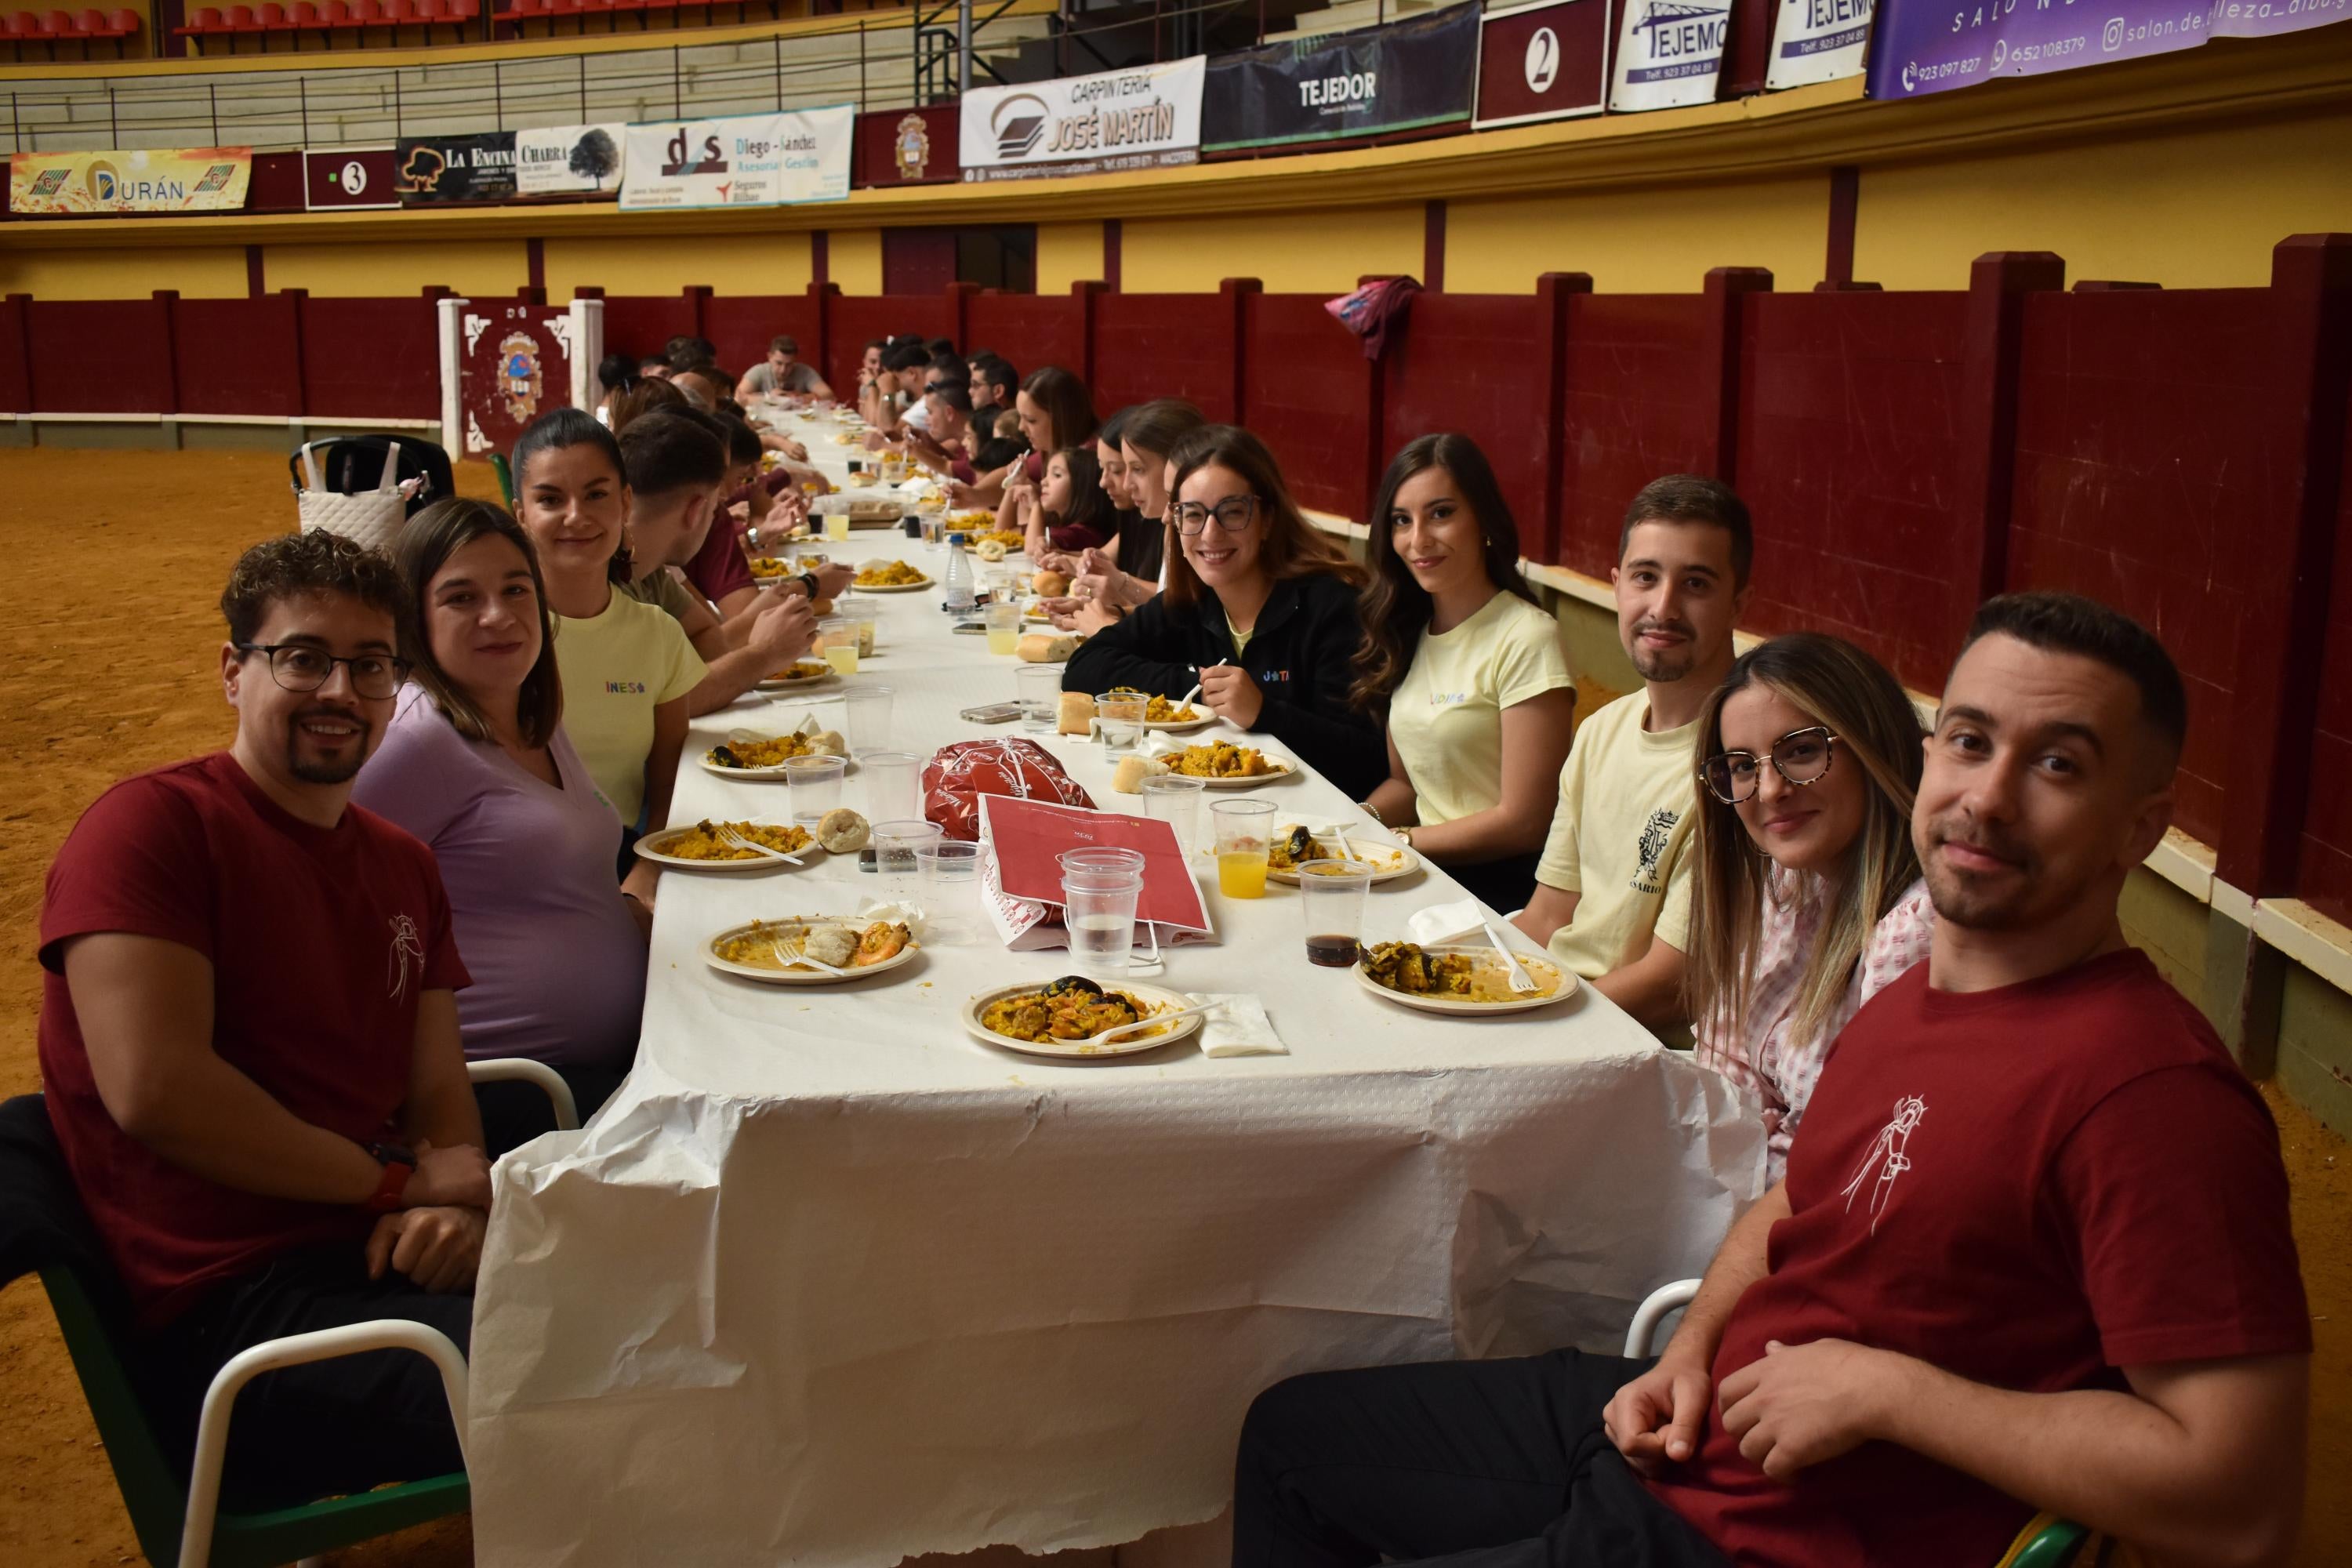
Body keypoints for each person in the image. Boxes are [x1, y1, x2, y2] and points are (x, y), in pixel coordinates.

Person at [1235, 591, 2311, 1568]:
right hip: (1694, 1429)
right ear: (1926, 758)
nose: (1986, 798)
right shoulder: (1913, 998)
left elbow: (2238, 1499)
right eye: (1971, 742)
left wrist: (1891, 1393)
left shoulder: (2154, 1096)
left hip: (1769, 1536)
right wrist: (1690, 1353)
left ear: (2142, 829)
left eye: (2059, 764)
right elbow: (1794, 1206)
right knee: (1285, 1436)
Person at [38, 530, 488, 1509]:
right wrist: (399, 1185)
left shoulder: (403, 861)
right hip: (240, 1318)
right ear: (233, 671)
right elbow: (161, 1091)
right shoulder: (150, 831)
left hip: (378, 1257)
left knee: (652, 1303)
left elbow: (439, 1089)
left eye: (370, 665)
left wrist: (454, 1202)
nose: (339, 690)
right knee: (598, 1371)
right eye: (303, 657)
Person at [351, 499, 647, 1152]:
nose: (499, 615)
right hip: (519, 1096)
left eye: (516, 588)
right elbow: (322, 912)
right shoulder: (416, 742)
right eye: (461, 597)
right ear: (413, 621)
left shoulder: (525, 710)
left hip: (593, 1067)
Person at [1677, 631, 1934, 1181]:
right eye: (1743, 766)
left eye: (1801, 751)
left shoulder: (1913, 929)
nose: (1770, 791)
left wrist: (1751, 1143)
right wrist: (1741, 1127)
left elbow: (1857, 1161)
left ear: (1874, 746)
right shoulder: (1785, 877)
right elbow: (1724, 1049)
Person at [1509, 475, 1751, 1032]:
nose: (1663, 608)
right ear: (1617, 586)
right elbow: (1549, 915)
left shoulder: (1742, 766)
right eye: (1646, 577)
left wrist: (1533, 1026)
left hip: (1635, 1051)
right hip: (1557, 1006)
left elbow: (1672, 985)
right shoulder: (1600, 731)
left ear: (1738, 603)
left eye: (1696, 584)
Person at [1063, 426, 1386, 798]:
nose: (1211, 534)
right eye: (1194, 515)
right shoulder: (1192, 601)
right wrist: (1197, 685)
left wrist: (1264, 711)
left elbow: (1366, 761)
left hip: (1321, 822)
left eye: (1232, 513)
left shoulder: (1331, 607)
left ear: (1267, 520)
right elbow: (1083, 668)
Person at [1349, 435, 1577, 915]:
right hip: (1422, 872)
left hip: (1499, 893)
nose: (1419, 540)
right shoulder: (1407, 630)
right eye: (1401, 521)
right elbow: (1407, 787)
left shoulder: (1526, 636)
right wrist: (1353, 826)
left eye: (1441, 513)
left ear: (1483, 520)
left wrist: (1402, 842)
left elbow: (1526, 821)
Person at [510, 408, 702, 877]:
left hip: (621, 865)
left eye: (596, 495)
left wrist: (646, 874)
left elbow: (668, 791)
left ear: (625, 503)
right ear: (521, 515)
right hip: (514, 873)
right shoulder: (498, 637)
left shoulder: (658, 634)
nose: (576, 517)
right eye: (551, 500)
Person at [614, 408, 817, 715]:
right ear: (696, 511)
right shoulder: (599, 581)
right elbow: (671, 702)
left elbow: (709, 640)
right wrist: (764, 654)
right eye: (714, 509)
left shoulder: (648, 565)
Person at [1047, 397, 1197, 633]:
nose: (1126, 484)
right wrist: (1112, 612)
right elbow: (1171, 613)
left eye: (1136, 469)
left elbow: (1185, 629)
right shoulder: (1172, 525)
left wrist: (1108, 625)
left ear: (1176, 465)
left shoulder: (1198, 534)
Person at [1015, 445, 1117, 559]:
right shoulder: (1063, 525)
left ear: (1082, 486)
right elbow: (1006, 530)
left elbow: (1031, 552)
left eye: (1057, 475)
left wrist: (1035, 505)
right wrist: (1020, 482)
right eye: (1046, 474)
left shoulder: (1079, 534)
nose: (1043, 482)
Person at [736, 334, 832, 402]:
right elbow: (737, 397)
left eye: (789, 365)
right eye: (779, 363)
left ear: (795, 360)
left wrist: (800, 397)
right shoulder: (759, 371)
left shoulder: (805, 371)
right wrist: (769, 398)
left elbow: (829, 395)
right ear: (769, 357)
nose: (783, 370)